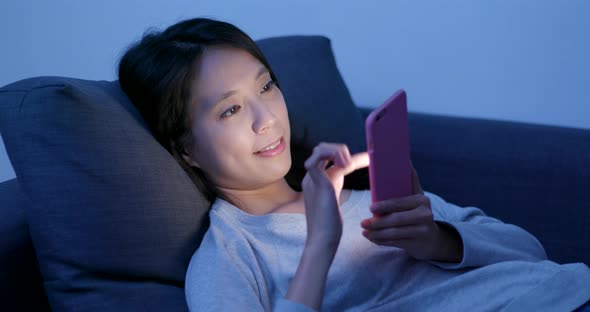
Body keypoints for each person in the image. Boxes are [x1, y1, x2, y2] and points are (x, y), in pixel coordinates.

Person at [118, 17, 590, 312]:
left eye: (266, 87)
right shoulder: (230, 257)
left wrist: (435, 239)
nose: (267, 119)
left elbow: (531, 254)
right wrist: (321, 242)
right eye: (230, 110)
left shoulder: (370, 196)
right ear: (186, 151)